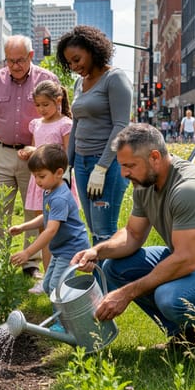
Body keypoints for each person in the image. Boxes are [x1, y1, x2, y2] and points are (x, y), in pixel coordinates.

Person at [71, 124, 195, 355]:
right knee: (114, 267)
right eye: (121, 166)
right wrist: (98, 251)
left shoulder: (190, 188)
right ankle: (184, 337)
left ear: (154, 157)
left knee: (169, 297)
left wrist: (126, 293)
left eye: (129, 165)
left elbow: (185, 260)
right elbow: (133, 235)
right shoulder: (145, 183)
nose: (123, 173)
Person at [0, 34, 60, 277]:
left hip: (35, 157)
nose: (15, 66)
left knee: (33, 210)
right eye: (10, 61)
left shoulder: (47, 80)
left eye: (20, 60)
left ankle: (30, 263)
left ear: (31, 56)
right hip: (1, 153)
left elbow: (59, 118)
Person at [56, 25, 132, 246]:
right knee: (93, 230)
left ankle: (111, 279)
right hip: (81, 163)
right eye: (69, 62)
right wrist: (68, 166)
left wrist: (102, 167)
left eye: (77, 59)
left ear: (93, 50)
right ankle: (98, 280)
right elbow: (76, 125)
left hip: (107, 164)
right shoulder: (80, 82)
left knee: (104, 231)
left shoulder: (115, 78)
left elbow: (120, 125)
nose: (74, 66)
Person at [9, 145, 89, 305]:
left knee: (56, 287)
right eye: (34, 176)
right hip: (61, 248)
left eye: (41, 176)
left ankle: (63, 323)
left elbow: (50, 230)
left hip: (71, 249)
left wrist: (28, 252)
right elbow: (46, 217)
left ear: (59, 173)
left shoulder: (59, 198)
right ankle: (72, 303)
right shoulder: (49, 190)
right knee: (47, 285)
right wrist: (23, 227)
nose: (37, 181)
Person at [17, 80, 76, 273]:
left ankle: (64, 273)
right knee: (44, 230)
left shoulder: (65, 124)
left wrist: (37, 150)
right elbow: (37, 154)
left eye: (45, 104)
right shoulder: (36, 125)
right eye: (38, 105)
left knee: (60, 230)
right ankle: (48, 275)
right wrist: (28, 153)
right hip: (40, 182)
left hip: (59, 182)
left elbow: (67, 155)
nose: (41, 109)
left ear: (58, 100)